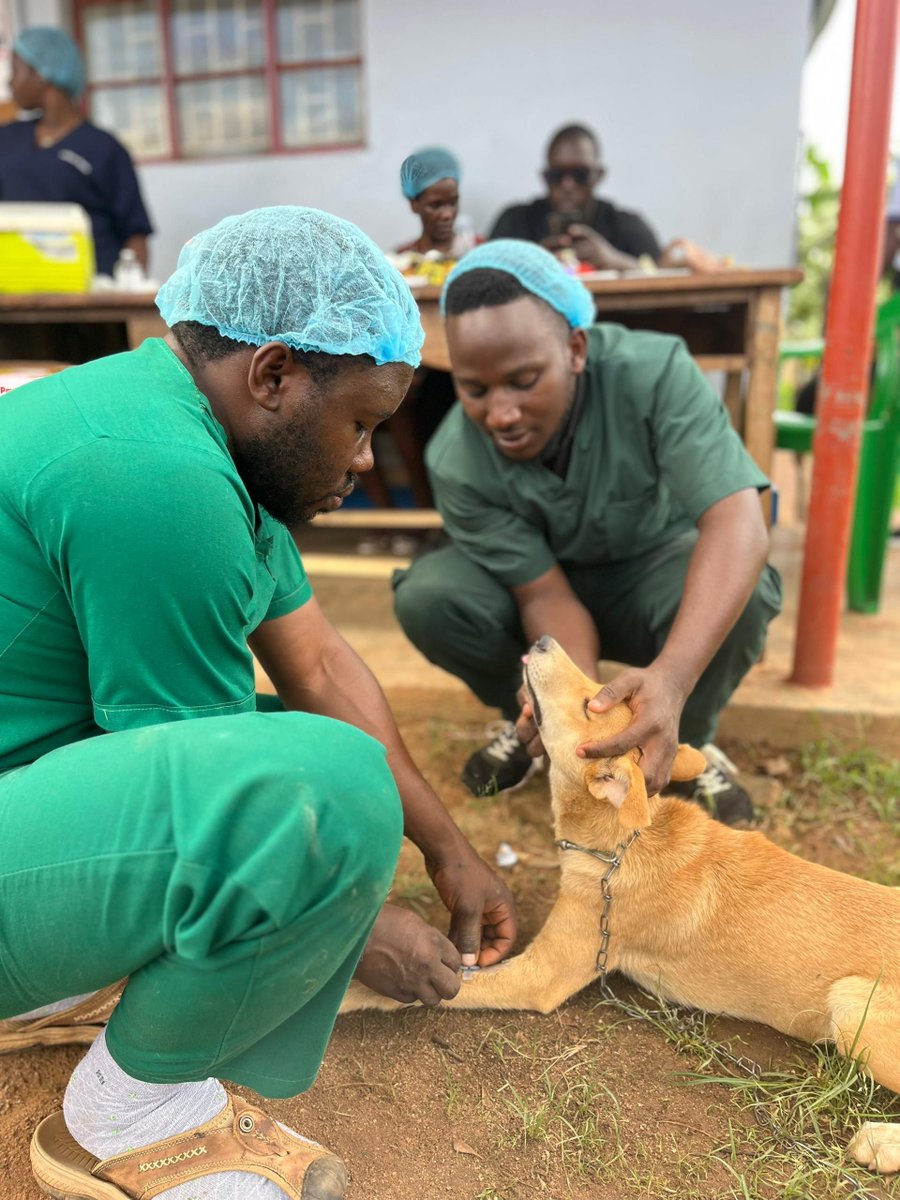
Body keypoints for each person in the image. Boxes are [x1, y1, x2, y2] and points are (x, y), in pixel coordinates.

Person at [0, 207, 515, 1200]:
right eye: (360, 423)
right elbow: (226, 811)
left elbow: (318, 665)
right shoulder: (159, 479)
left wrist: (448, 853)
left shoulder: (188, 429)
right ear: (273, 376)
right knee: (316, 796)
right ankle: (130, 1115)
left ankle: (79, 982)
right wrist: (366, 921)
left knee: (314, 759)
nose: (365, 459)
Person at [393, 241, 783, 825]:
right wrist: (571, 703)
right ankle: (535, 726)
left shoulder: (655, 375)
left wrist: (671, 680)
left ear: (576, 349)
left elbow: (738, 520)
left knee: (746, 588)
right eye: (475, 389)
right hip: (547, 598)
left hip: (651, 577)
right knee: (430, 597)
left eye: (524, 380)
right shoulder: (456, 456)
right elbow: (543, 593)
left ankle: (681, 738)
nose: (500, 413)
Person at [0, 26, 153, 277]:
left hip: (89, 300)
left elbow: (135, 237)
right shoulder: (6, 139)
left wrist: (120, 296)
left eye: (15, 70)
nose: (9, 81)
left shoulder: (104, 149)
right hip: (14, 298)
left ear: (42, 72)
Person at [488, 122, 726, 273]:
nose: (568, 185)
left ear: (597, 175)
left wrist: (615, 261)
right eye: (557, 175)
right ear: (544, 176)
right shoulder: (515, 221)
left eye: (580, 175)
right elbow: (480, 279)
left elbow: (663, 276)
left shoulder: (626, 225)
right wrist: (534, 263)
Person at [396, 145, 461, 257]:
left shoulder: (478, 252)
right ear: (414, 204)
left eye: (453, 203)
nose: (447, 215)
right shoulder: (401, 261)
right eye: (436, 205)